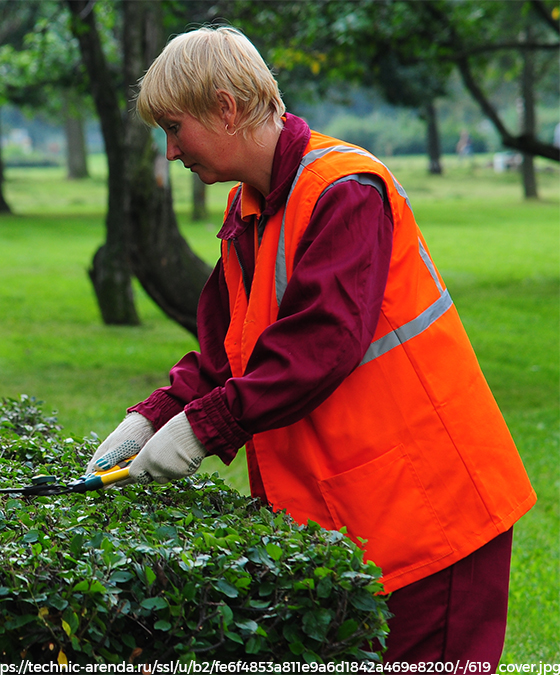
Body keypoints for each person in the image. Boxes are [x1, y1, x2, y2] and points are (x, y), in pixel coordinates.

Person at [88, 26, 535, 669]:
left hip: (432, 518)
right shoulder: (251, 211)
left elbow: (320, 344)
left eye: (175, 129)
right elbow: (224, 352)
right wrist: (149, 418)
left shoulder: (343, 189)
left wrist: (202, 429)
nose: (170, 153)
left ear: (225, 106)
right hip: (364, 520)